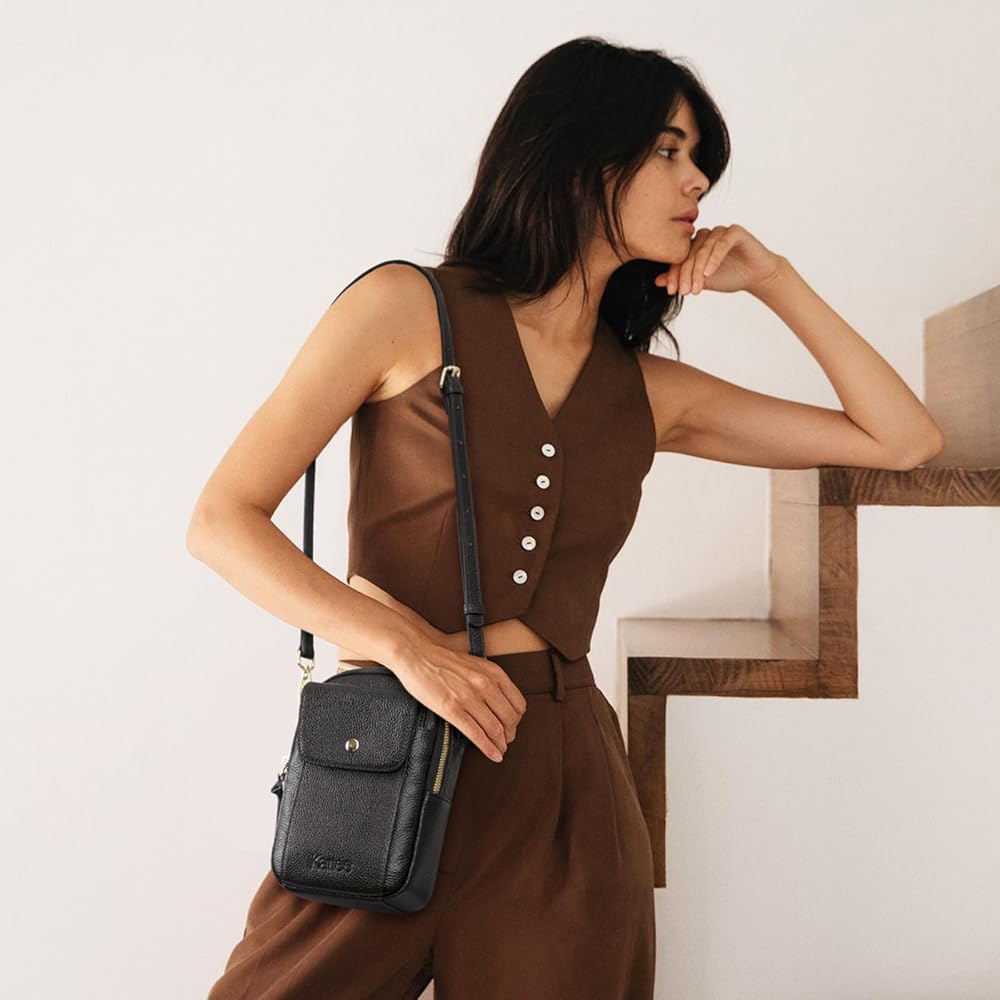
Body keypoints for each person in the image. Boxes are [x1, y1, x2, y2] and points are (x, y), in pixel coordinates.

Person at [187, 34, 944, 1000]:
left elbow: (902, 439)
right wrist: (407, 650)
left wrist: (776, 279)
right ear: (580, 158)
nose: (698, 180)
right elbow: (223, 518)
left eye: (701, 158)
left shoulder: (649, 391)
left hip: (560, 783)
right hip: (388, 757)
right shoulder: (404, 308)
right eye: (669, 150)